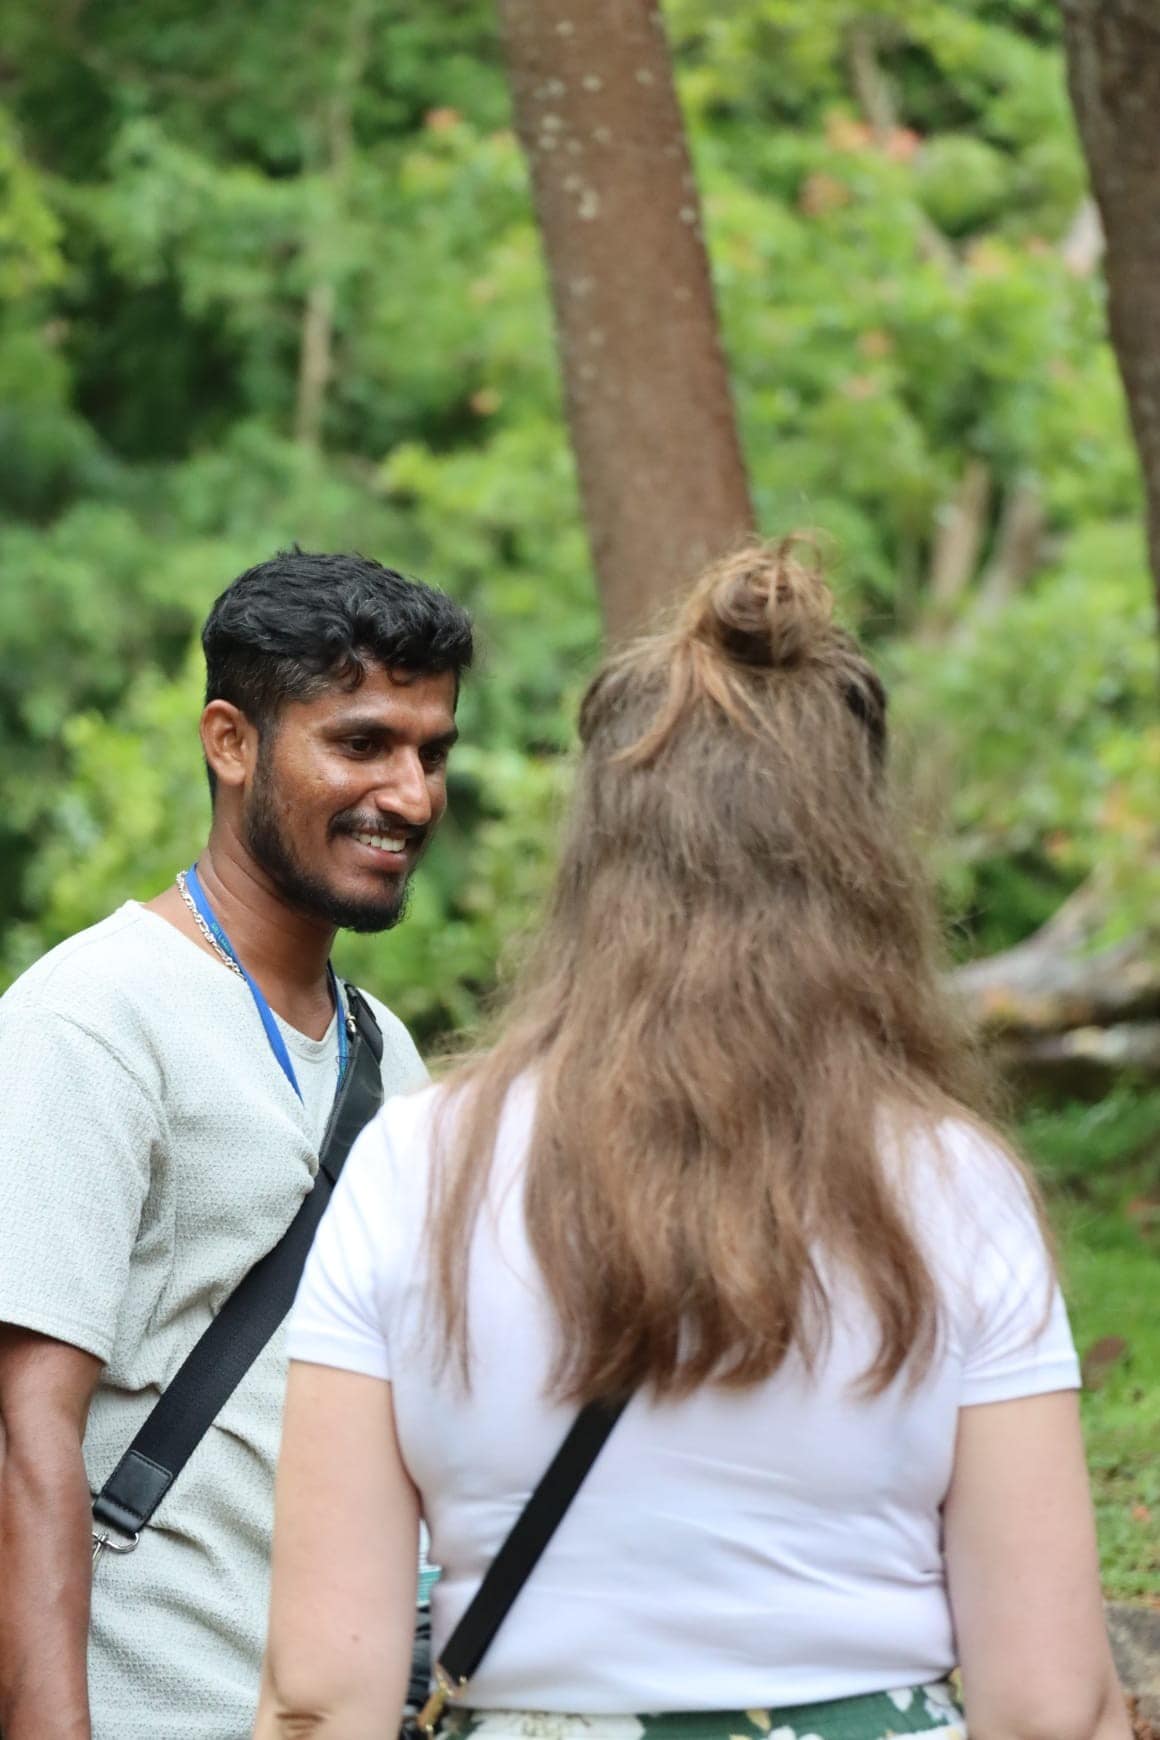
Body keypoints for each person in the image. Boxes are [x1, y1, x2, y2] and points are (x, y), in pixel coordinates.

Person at [256, 543, 1129, 1740]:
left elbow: (319, 1698)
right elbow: (1048, 1706)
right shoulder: (949, 1184)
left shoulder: (418, 1167)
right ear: (858, 865)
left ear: (596, 858)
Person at [0, 549, 473, 1740]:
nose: (410, 794)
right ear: (230, 742)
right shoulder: (91, 1022)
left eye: (431, 752)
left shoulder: (390, 1056)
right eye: (362, 743)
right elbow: (20, 1443)